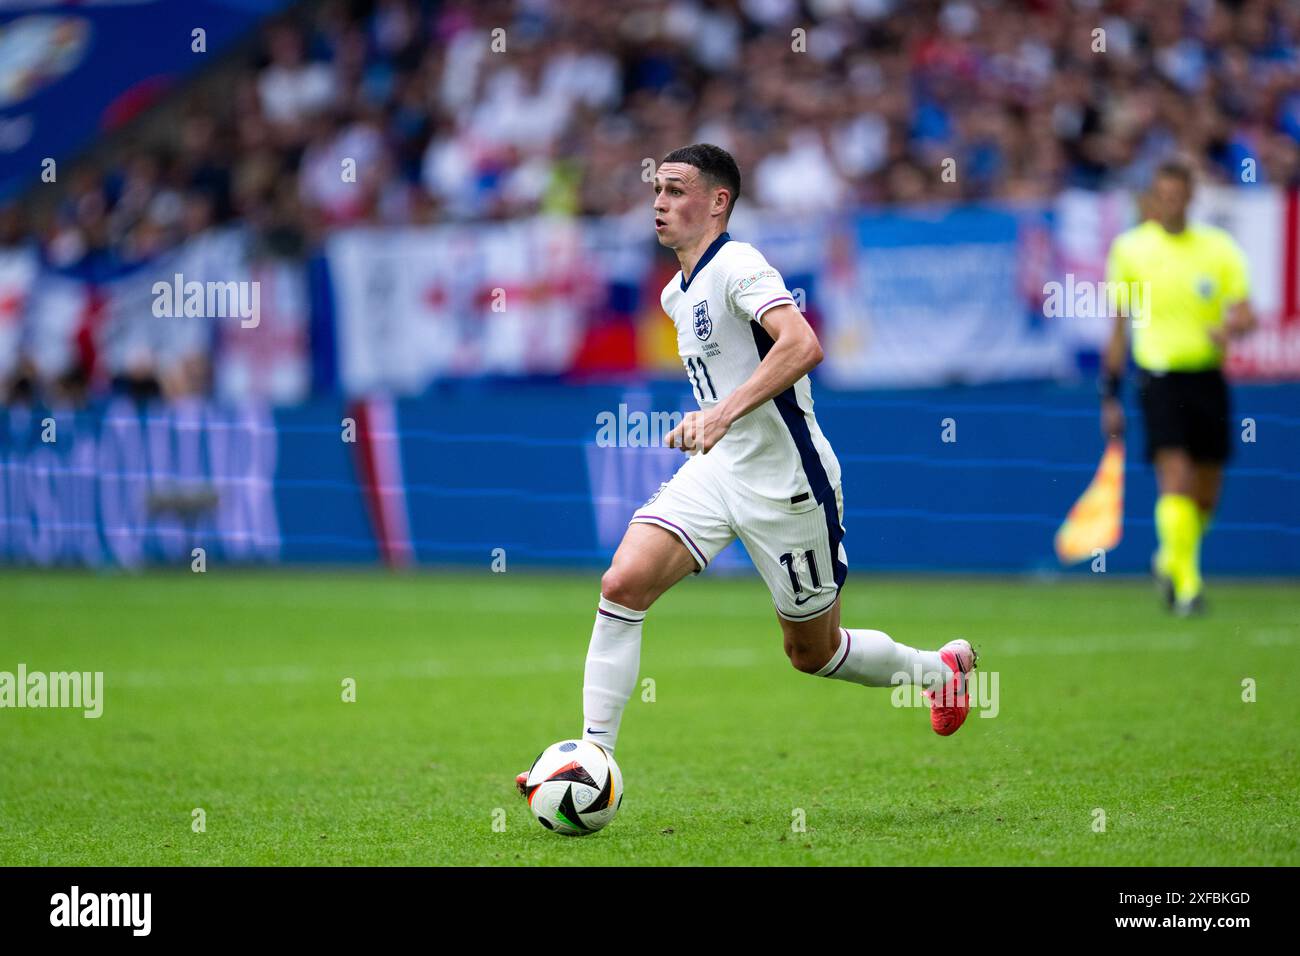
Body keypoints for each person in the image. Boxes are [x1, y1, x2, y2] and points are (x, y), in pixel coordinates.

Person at [518, 143, 975, 795]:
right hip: (719, 470)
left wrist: (723, 411)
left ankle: (939, 671)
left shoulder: (740, 265)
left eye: (676, 190)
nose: (659, 201)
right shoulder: (678, 292)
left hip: (788, 485)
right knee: (623, 583)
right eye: (656, 189)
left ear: (718, 202)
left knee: (812, 653)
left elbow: (803, 344)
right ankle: (590, 763)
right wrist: (709, 417)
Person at [1101, 159, 1256, 615]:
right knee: (1177, 478)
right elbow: (1118, 327)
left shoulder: (1218, 249)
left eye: (1177, 195)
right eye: (1162, 195)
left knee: (1207, 492)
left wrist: (1234, 329)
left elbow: (1246, 313)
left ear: (1190, 197)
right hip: (1160, 377)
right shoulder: (1130, 250)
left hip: (1207, 377)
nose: (1169, 203)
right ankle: (1188, 589)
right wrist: (1109, 393)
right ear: (1152, 198)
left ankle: (1169, 557)